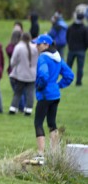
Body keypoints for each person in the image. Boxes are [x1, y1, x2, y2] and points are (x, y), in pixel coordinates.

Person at [31, 34, 74, 165]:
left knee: (38, 123)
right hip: (55, 95)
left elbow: (43, 75)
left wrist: (39, 86)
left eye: (39, 44)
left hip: (45, 95)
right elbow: (69, 75)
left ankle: (41, 154)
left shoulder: (43, 57)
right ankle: (54, 154)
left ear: (46, 45)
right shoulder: (58, 57)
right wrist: (57, 85)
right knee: (51, 123)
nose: (36, 46)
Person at [8, 32, 38, 115]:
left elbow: (13, 61)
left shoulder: (19, 47)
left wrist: (13, 67)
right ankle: (28, 110)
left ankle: (13, 108)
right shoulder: (35, 47)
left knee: (17, 92)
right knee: (30, 93)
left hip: (21, 74)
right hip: (32, 74)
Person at [66, 12, 88, 86]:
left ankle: (66, 80)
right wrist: (85, 48)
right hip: (81, 50)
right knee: (80, 67)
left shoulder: (70, 27)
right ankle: (78, 82)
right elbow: (86, 40)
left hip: (71, 49)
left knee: (68, 66)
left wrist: (69, 45)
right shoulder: (85, 28)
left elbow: (67, 37)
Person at [6, 29, 25, 111]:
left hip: (13, 70)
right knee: (21, 90)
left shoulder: (10, 47)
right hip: (22, 70)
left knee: (17, 91)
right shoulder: (22, 47)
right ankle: (21, 106)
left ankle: (20, 106)